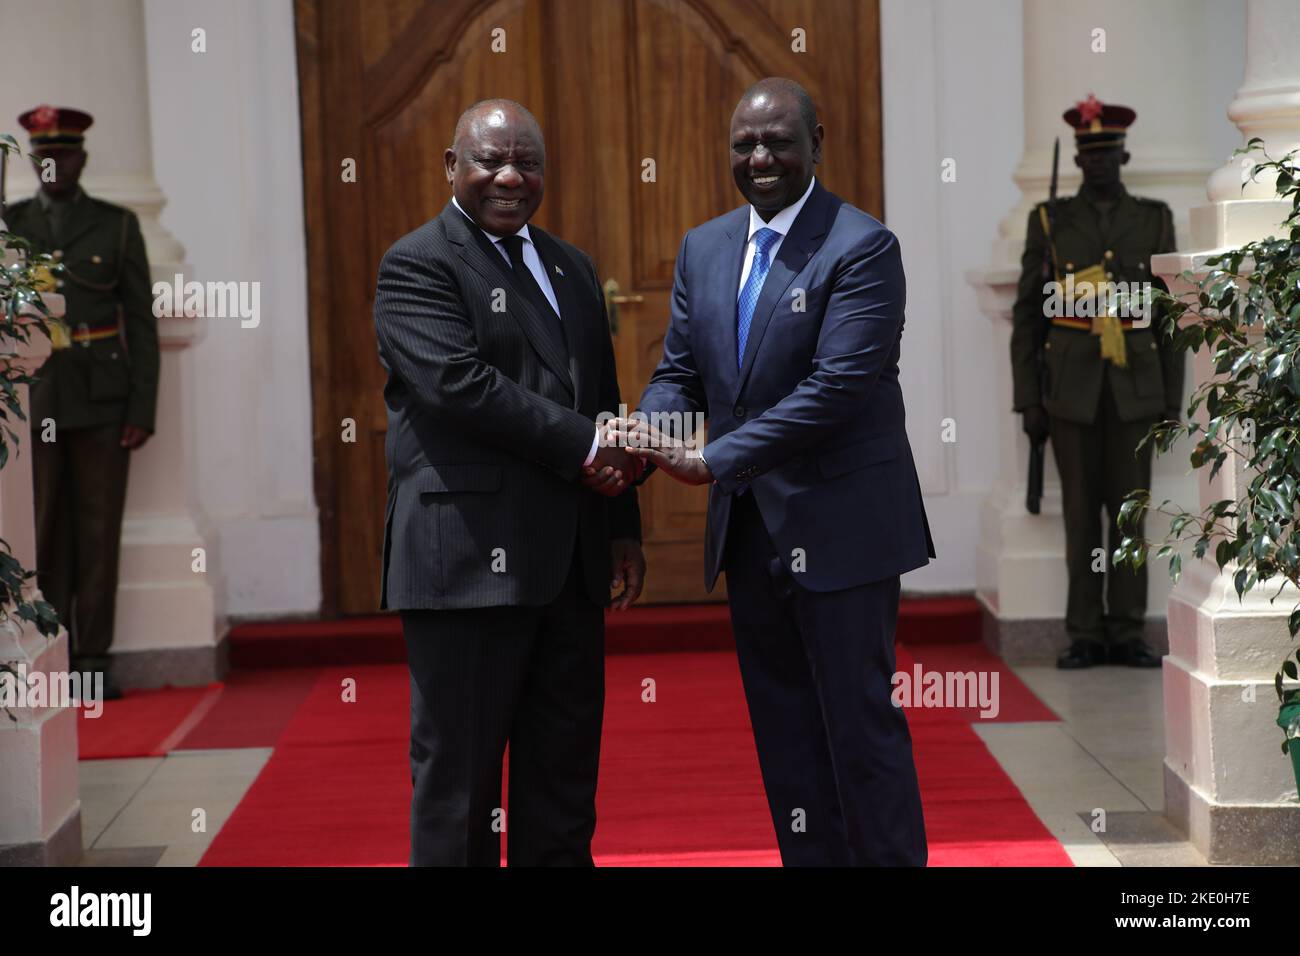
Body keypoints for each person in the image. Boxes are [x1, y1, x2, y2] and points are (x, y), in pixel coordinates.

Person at [613, 77, 932, 866]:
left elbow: (836, 389)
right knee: (785, 734)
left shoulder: (862, 247)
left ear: (816, 145)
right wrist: (647, 433)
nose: (759, 157)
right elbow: (680, 373)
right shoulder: (705, 247)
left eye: (778, 141)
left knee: (859, 730)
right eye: (744, 144)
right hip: (752, 532)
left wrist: (712, 456)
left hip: (843, 532)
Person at [372, 99, 644, 867]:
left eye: (528, 162)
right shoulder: (416, 263)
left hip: (570, 565)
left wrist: (621, 523)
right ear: (451, 165)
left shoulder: (572, 265)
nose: (510, 177)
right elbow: (460, 385)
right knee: (460, 786)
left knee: (561, 783)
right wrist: (590, 444)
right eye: (491, 159)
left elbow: (601, 395)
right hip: (466, 566)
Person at [1010, 95, 1181, 670]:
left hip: (1136, 387)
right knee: (1082, 515)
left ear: (1123, 155)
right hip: (1071, 390)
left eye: (1108, 153)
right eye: (1090, 154)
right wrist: (1029, 400)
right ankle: (1085, 632)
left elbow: (1167, 318)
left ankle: (1128, 630)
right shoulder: (1049, 221)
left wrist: (1171, 403)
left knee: (1130, 514)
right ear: (1079, 160)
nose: (1099, 162)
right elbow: (1030, 316)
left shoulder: (1154, 218)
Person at [5, 105, 160, 700]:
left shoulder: (116, 225)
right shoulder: (10, 222)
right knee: (40, 531)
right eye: (42, 155)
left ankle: (94, 661)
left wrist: (141, 408)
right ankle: (49, 653)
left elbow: (139, 321)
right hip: (32, 400)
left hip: (102, 399)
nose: (53, 164)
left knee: (98, 532)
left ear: (81, 159)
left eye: (63, 154)